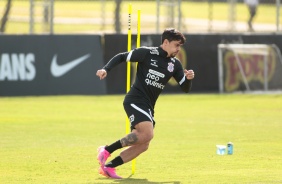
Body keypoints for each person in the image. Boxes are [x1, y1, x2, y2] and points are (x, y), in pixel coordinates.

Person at [96, 28, 195, 179]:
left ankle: (109, 167)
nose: (178, 49)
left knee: (144, 143)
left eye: (180, 46)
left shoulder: (175, 64)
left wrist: (188, 78)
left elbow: (185, 88)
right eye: (176, 45)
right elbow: (122, 56)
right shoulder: (147, 53)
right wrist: (105, 69)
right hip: (135, 100)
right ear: (166, 42)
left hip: (148, 105)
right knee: (147, 133)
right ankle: (106, 150)